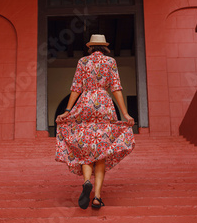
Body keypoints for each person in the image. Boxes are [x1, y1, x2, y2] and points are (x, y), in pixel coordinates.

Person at [55, 34, 136, 210]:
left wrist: (67, 111)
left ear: (90, 47)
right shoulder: (111, 62)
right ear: (105, 47)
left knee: (85, 148)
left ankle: (86, 182)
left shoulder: (83, 62)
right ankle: (97, 197)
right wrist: (125, 113)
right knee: (101, 152)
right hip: (104, 104)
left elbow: (76, 88)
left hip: (85, 102)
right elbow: (116, 88)